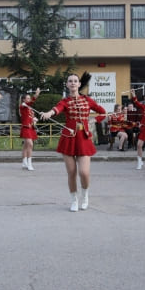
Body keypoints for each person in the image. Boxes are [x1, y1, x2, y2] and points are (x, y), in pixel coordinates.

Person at [40, 73, 106, 212]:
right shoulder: (65, 101)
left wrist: (94, 120)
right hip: (68, 138)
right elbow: (56, 109)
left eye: (75, 81)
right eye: (70, 81)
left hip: (83, 138)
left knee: (84, 172)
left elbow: (103, 112)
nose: (73, 83)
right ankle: (74, 199)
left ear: (79, 84)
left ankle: (85, 196)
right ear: (67, 84)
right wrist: (48, 113)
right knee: (71, 172)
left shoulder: (87, 100)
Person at [19, 88, 40, 171]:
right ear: (24, 100)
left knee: (26, 146)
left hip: (31, 128)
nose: (29, 100)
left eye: (29, 98)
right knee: (30, 145)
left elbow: (30, 117)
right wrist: (36, 94)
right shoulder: (23, 106)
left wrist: (34, 120)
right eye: (27, 98)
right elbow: (31, 102)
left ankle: (24, 162)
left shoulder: (29, 108)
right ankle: (29, 163)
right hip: (26, 128)